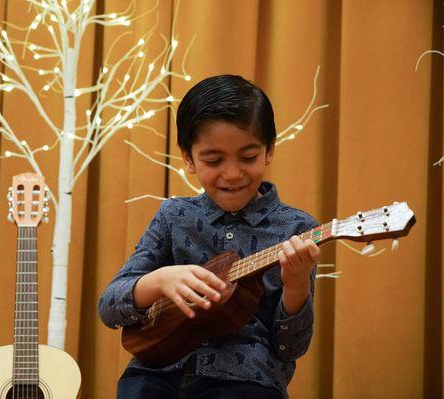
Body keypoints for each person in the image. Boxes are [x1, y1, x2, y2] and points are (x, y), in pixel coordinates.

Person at [98, 75, 321, 399]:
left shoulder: (295, 228)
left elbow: (291, 348)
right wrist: (158, 281)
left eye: (248, 157)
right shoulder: (173, 216)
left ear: (269, 150)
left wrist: (297, 286)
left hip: (246, 381)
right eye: (214, 160)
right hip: (156, 372)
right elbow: (109, 307)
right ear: (188, 158)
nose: (232, 173)